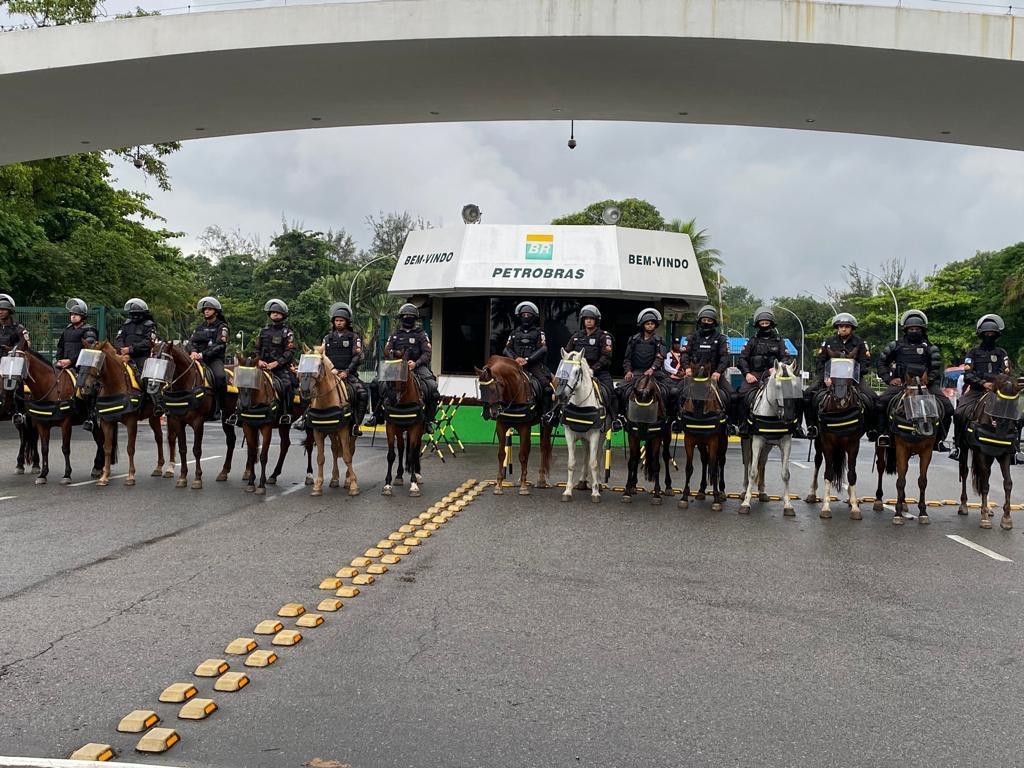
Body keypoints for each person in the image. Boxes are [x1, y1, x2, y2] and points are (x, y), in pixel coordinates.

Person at [875, 309, 953, 451]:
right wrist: (889, 379)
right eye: (911, 329)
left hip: (926, 385)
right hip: (901, 385)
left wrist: (927, 380)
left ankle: (939, 440)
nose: (914, 331)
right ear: (906, 329)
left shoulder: (930, 348)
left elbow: (936, 367)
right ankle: (883, 434)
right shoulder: (895, 346)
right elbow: (881, 363)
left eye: (917, 329)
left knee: (948, 407)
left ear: (923, 330)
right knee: (880, 403)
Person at [803, 312, 877, 440]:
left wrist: (854, 375)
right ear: (837, 327)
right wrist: (826, 377)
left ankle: (872, 428)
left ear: (852, 328)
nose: (843, 328)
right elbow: (820, 361)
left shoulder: (860, 343)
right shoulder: (829, 342)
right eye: (841, 326)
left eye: (847, 326)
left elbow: (865, 363)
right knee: (808, 394)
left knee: (873, 398)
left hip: (853, 379)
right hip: (830, 378)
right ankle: (812, 426)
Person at [948, 314, 1012, 461]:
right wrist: (983, 383)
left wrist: (998, 384)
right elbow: (968, 374)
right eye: (987, 334)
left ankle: (1014, 450)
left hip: (999, 393)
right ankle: (957, 446)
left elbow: (1007, 373)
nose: (989, 336)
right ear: (981, 335)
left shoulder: (1002, 353)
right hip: (977, 391)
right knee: (958, 414)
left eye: (992, 334)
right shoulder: (973, 352)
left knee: (1018, 417)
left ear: (997, 335)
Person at [371, 303, 439, 431]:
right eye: (405, 315)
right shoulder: (395, 334)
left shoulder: (421, 334)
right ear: (401, 318)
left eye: (410, 316)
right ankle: (377, 415)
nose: (408, 317)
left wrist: (415, 363)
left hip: (417, 366)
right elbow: (387, 350)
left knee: (433, 388)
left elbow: (427, 353)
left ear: (415, 318)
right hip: (396, 368)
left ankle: (429, 421)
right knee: (375, 384)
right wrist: (395, 359)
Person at [734, 306, 801, 436]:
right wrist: (747, 374)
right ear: (757, 324)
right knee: (740, 395)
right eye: (762, 323)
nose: (764, 325)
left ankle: (797, 425)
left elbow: (786, 358)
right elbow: (742, 359)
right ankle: (743, 425)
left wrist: (778, 367)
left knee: (798, 393)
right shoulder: (752, 342)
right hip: (755, 375)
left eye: (767, 323)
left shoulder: (779, 341)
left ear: (771, 323)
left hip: (775, 375)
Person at [319, 301, 368, 436]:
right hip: (330, 374)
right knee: (309, 389)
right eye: (336, 320)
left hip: (348, 374)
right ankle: (306, 419)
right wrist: (332, 370)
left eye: (341, 320)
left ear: (346, 322)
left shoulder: (354, 337)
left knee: (362, 393)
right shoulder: (327, 338)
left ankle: (357, 424)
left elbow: (357, 356)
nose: (338, 323)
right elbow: (322, 356)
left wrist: (346, 371)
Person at [676, 304, 732, 419]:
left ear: (714, 322)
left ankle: (731, 424)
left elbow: (725, 357)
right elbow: (685, 354)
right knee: (674, 392)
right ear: (699, 321)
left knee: (732, 396)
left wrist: (718, 372)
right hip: (693, 375)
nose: (706, 322)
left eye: (709, 320)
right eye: (704, 320)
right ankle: (675, 421)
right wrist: (686, 368)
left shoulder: (721, 338)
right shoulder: (692, 337)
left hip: (714, 376)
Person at [563, 304, 615, 419]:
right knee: (562, 389)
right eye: (586, 319)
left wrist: (592, 369)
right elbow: (567, 354)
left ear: (596, 321)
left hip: (599, 372)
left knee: (610, 392)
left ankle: (614, 419)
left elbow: (606, 356)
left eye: (591, 319)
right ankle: (557, 414)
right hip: (577, 373)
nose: (589, 321)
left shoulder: (604, 336)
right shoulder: (576, 336)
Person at [503, 301, 554, 417]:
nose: (526, 317)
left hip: (533, 365)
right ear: (519, 316)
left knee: (547, 387)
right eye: (523, 315)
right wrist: (516, 359)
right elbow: (506, 349)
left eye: (528, 315)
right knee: (501, 384)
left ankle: (546, 414)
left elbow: (543, 349)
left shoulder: (539, 332)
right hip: (515, 365)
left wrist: (528, 359)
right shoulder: (514, 332)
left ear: (533, 317)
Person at [618, 307, 669, 418]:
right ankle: (621, 417)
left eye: (652, 323)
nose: (650, 325)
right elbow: (627, 359)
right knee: (619, 391)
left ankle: (669, 418)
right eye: (647, 323)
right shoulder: (633, 340)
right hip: (637, 373)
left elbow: (660, 358)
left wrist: (653, 369)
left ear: (655, 325)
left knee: (671, 391)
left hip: (655, 373)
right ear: (642, 325)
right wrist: (628, 371)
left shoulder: (659, 341)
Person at [188, 296, 229, 422]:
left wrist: (202, 354)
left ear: (216, 311)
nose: (206, 311)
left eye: (209, 309)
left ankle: (221, 408)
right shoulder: (199, 327)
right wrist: (193, 351)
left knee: (220, 377)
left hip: (213, 360)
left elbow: (219, 346)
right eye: (205, 309)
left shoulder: (222, 327)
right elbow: (191, 342)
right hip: (196, 359)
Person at [115, 298, 159, 378]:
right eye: (133, 314)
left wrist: (131, 349)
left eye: (137, 314)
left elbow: (148, 342)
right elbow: (119, 338)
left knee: (144, 379)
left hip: (141, 358)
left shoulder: (149, 325)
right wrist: (123, 350)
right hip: (124, 356)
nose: (135, 316)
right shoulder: (126, 324)